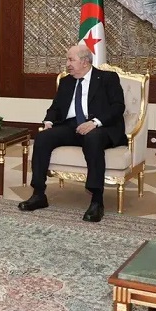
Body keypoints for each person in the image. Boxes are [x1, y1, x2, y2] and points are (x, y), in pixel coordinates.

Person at [18, 45, 126, 222]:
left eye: (71, 60)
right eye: (67, 60)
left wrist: (94, 123)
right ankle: (38, 194)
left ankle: (97, 201)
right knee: (43, 137)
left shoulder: (107, 78)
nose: (67, 64)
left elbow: (118, 107)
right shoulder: (67, 81)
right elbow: (55, 107)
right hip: (72, 126)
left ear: (84, 62)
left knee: (93, 138)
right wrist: (48, 121)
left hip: (100, 127)